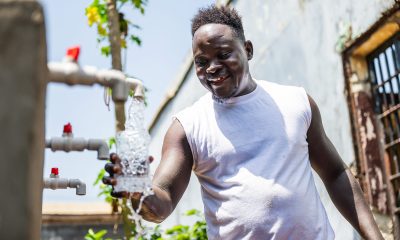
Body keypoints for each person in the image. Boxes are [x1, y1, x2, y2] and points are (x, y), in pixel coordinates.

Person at [103, 5, 384, 240]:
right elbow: (161, 201)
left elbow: (335, 173)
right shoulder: (187, 126)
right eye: (201, 61)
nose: (212, 67)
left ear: (247, 49)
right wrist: (138, 192)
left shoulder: (297, 103)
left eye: (223, 54)